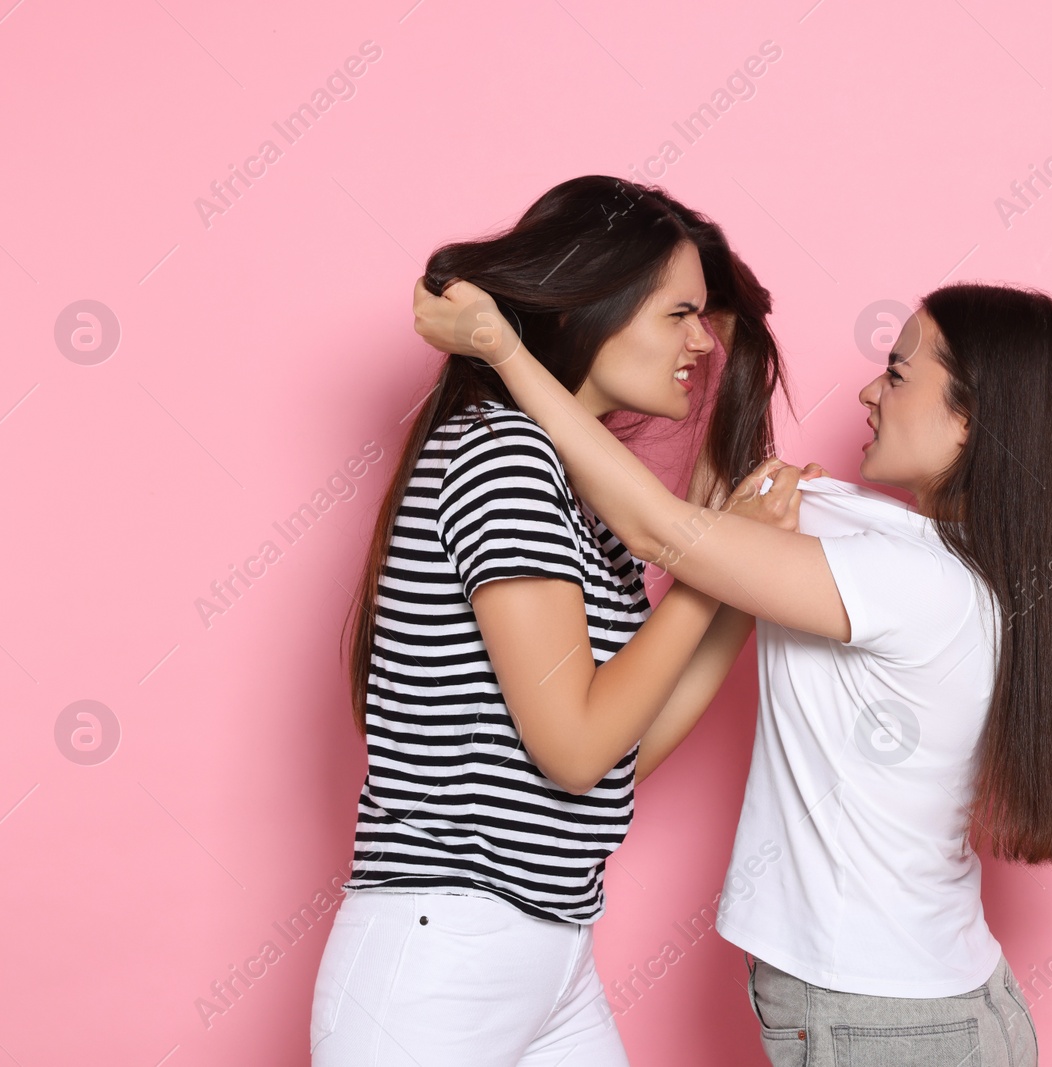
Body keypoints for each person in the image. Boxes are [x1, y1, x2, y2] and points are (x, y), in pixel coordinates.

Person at [414, 276, 1052, 1067]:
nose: (867, 389)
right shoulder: (926, 554)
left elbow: (660, 526)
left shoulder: (913, 582)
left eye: (895, 374)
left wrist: (502, 349)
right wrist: (715, 320)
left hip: (888, 1022)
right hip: (931, 1005)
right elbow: (731, 488)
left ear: (969, 421)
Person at [312, 176, 819, 1066]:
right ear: (596, 304)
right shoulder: (505, 455)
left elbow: (619, 754)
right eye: (679, 314)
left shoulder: (578, 493)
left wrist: (742, 587)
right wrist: (711, 562)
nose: (701, 343)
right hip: (442, 952)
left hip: (544, 945)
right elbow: (576, 747)